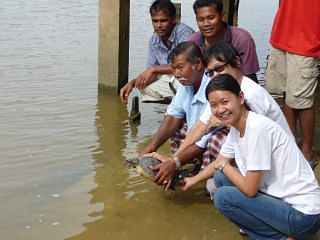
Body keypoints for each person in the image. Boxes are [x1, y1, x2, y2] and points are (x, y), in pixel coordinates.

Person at [182, 74, 320, 240]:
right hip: (284, 202)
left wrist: (224, 166)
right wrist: (192, 180)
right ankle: (271, 230)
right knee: (220, 177)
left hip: (304, 216)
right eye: (214, 105)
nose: (220, 110)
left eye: (225, 102)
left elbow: (249, 189)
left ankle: (281, 238)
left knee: (223, 197)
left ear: (240, 98)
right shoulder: (237, 127)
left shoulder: (256, 129)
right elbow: (219, 162)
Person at [176, 42, 293, 177]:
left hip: (278, 155)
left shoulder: (252, 94)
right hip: (259, 150)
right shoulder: (223, 90)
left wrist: (223, 122)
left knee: (218, 140)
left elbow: (260, 132)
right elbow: (201, 126)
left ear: (236, 62)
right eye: (210, 72)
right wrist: (175, 159)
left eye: (219, 69)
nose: (215, 75)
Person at [141, 41, 228, 191]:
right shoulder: (185, 84)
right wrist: (150, 148)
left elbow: (204, 139)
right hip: (198, 134)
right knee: (174, 122)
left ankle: (209, 177)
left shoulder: (215, 88)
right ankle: (191, 165)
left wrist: (175, 162)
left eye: (180, 68)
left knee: (215, 140)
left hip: (214, 139)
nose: (176, 74)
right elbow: (172, 117)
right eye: (173, 69)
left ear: (198, 64)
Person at [264, 0, 320, 169]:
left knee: (302, 99)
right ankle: (289, 144)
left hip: (307, 39)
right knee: (285, 92)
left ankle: (307, 153)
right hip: (282, 32)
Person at [119, 0, 194, 104]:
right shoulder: (154, 40)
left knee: (179, 80)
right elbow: (150, 73)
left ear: (173, 20)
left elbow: (186, 65)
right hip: (172, 77)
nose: (158, 25)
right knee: (143, 88)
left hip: (188, 76)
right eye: (155, 21)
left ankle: (181, 105)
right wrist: (132, 83)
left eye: (163, 21)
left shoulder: (183, 32)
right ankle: (175, 104)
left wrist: (154, 69)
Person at [188, 0, 260, 82]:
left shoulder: (242, 39)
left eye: (211, 18)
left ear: (222, 16)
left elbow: (248, 78)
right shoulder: (193, 41)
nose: (206, 24)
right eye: (201, 20)